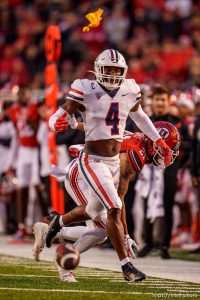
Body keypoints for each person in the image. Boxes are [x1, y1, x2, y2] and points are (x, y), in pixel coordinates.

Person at [46, 49, 172, 282]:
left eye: (117, 70)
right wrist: (57, 123)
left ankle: (59, 229)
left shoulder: (130, 89)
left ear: (123, 72)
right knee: (114, 205)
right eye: (109, 69)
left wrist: (158, 139)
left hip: (115, 161)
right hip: (92, 160)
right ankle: (127, 267)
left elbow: (141, 117)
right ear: (98, 70)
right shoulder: (86, 88)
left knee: (97, 218)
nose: (113, 74)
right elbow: (59, 114)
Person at [33, 120, 180, 282]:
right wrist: (124, 235)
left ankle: (52, 231)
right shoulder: (135, 154)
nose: (169, 155)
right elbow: (119, 199)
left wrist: (125, 235)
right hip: (82, 175)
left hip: (88, 173)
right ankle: (65, 263)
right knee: (103, 228)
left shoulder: (137, 141)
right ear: (155, 144)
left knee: (102, 231)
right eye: (167, 149)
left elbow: (99, 128)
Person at [137, 84, 191, 259]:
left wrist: (175, 151)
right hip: (148, 170)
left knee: (167, 207)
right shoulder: (145, 120)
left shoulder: (176, 122)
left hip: (168, 170)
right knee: (147, 207)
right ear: (152, 101)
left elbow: (188, 145)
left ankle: (164, 245)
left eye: (163, 100)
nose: (160, 103)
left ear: (168, 102)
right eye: (157, 99)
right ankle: (148, 242)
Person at [8, 87, 48, 238]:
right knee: (21, 188)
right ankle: (21, 226)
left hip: (35, 150)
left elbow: (39, 128)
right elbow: (16, 133)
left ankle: (48, 222)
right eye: (22, 94)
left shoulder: (34, 108)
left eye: (25, 94)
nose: (24, 96)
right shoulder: (13, 110)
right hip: (23, 150)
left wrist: (30, 121)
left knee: (38, 187)